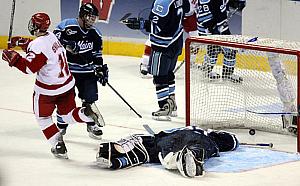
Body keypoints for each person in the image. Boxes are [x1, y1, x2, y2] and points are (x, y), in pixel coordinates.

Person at [2, 12, 104, 159]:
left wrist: (13, 58)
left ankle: (58, 145)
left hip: (48, 91)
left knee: (43, 118)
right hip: (67, 85)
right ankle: (85, 113)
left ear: (36, 26)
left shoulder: (39, 45)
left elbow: (29, 67)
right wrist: (19, 42)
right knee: (67, 115)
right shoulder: (51, 36)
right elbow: (38, 48)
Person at [123, 0, 190, 121]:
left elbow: (158, 27)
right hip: (176, 42)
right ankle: (172, 104)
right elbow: (187, 11)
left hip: (163, 45)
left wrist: (140, 24)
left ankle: (164, 106)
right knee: (169, 74)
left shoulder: (162, 2)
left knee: (159, 76)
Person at [53, 2, 108, 139]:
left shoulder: (95, 34)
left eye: (94, 18)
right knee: (65, 101)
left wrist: (100, 68)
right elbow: (53, 40)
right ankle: (61, 126)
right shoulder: (66, 26)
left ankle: (91, 124)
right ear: (82, 15)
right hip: (68, 72)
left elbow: (97, 55)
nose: (92, 20)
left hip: (87, 73)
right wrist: (66, 45)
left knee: (89, 99)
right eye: (90, 17)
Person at [96, 126, 239, 178]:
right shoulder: (205, 134)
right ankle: (187, 157)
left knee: (147, 152)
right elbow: (232, 141)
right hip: (194, 138)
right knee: (199, 148)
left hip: (162, 138)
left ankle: (118, 157)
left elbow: (150, 139)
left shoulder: (175, 131)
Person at [138, 0, 198, 79]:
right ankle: (145, 63)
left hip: (187, 14)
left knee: (195, 36)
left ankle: (192, 61)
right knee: (157, 35)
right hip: (175, 11)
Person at [196, 0, 246, 83]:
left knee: (213, 49)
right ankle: (227, 74)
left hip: (211, 26)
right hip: (210, 28)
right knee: (230, 49)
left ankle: (206, 71)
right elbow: (205, 15)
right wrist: (215, 28)